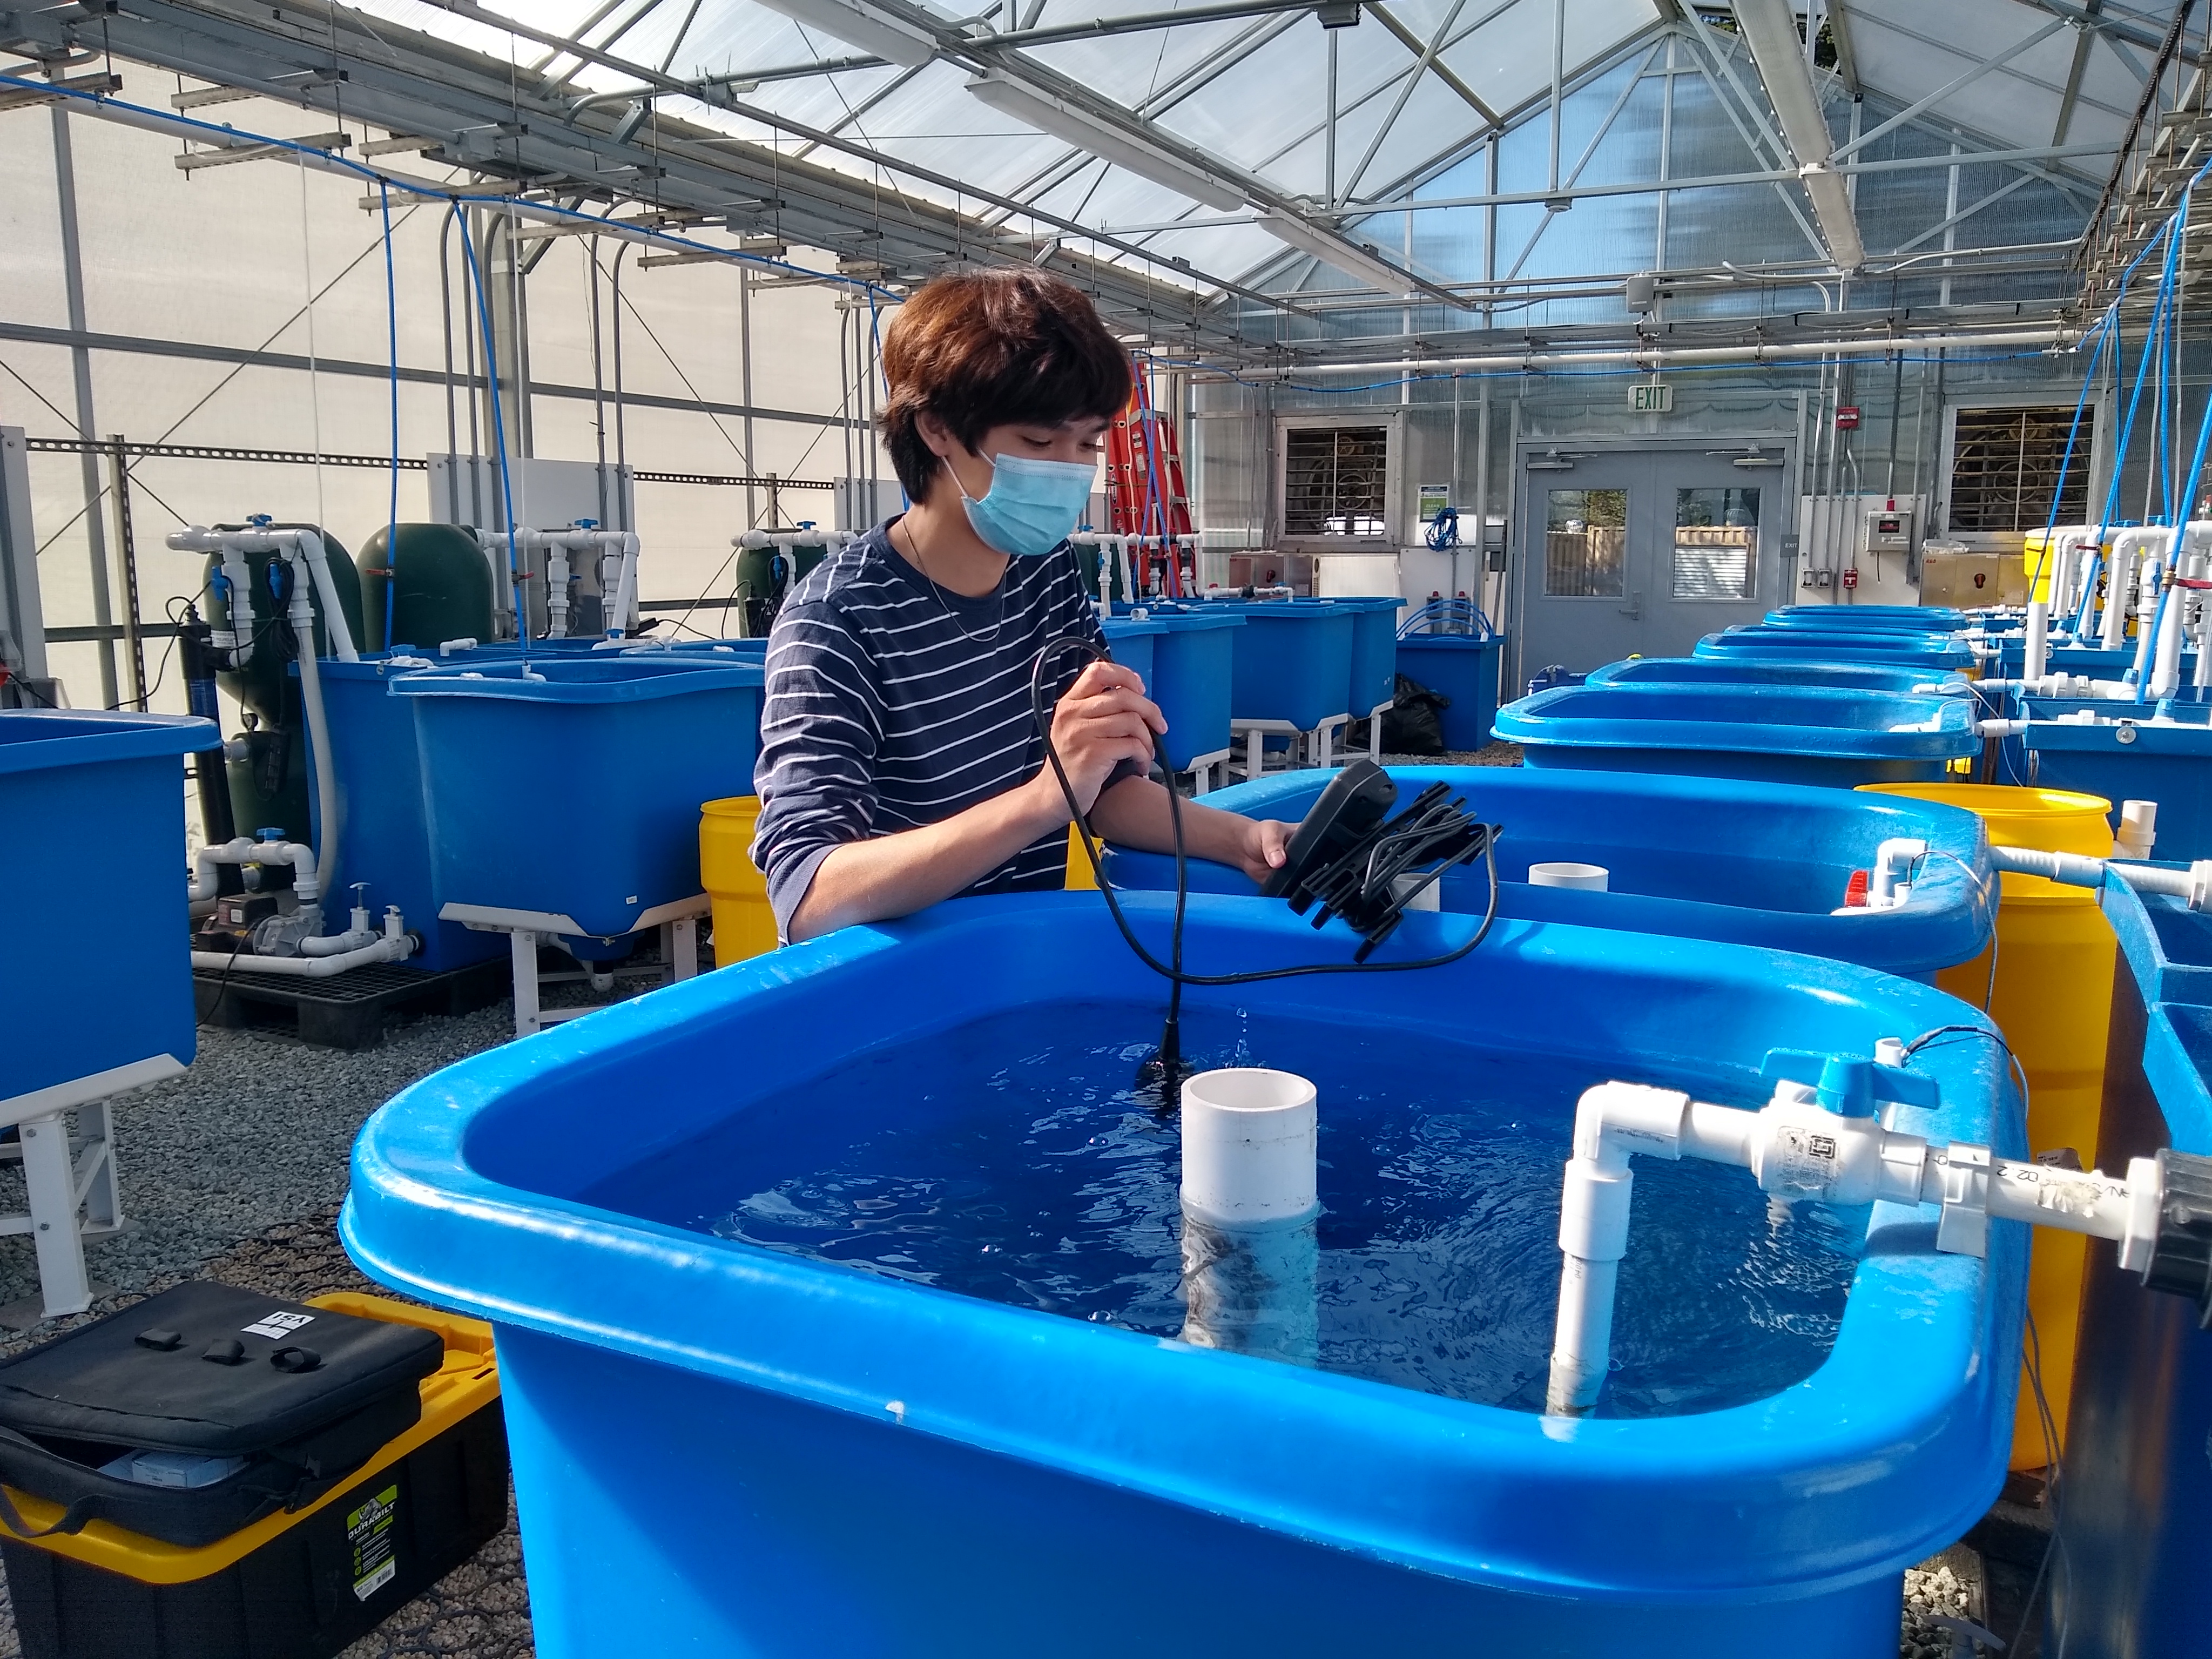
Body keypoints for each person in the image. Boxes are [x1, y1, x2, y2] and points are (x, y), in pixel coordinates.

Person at [752, 268, 1289, 944]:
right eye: (1039, 442)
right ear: (939, 428)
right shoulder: (837, 618)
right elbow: (808, 896)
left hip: (1011, 965)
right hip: (886, 990)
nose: (1068, 469)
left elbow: (1106, 792)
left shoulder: (1046, 571)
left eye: (1088, 443)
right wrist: (1042, 799)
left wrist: (1245, 841)